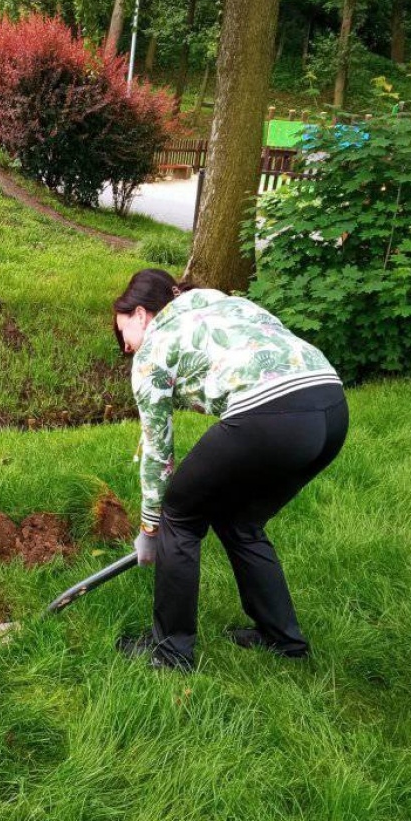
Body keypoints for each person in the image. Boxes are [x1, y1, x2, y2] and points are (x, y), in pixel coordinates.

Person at [113, 269, 348, 672]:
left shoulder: (154, 348)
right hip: (331, 407)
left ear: (140, 314)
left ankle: (171, 654)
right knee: (240, 521)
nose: (129, 350)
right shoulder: (222, 302)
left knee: (180, 516)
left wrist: (152, 528)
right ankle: (282, 639)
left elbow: (157, 449)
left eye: (125, 339)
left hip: (272, 414)